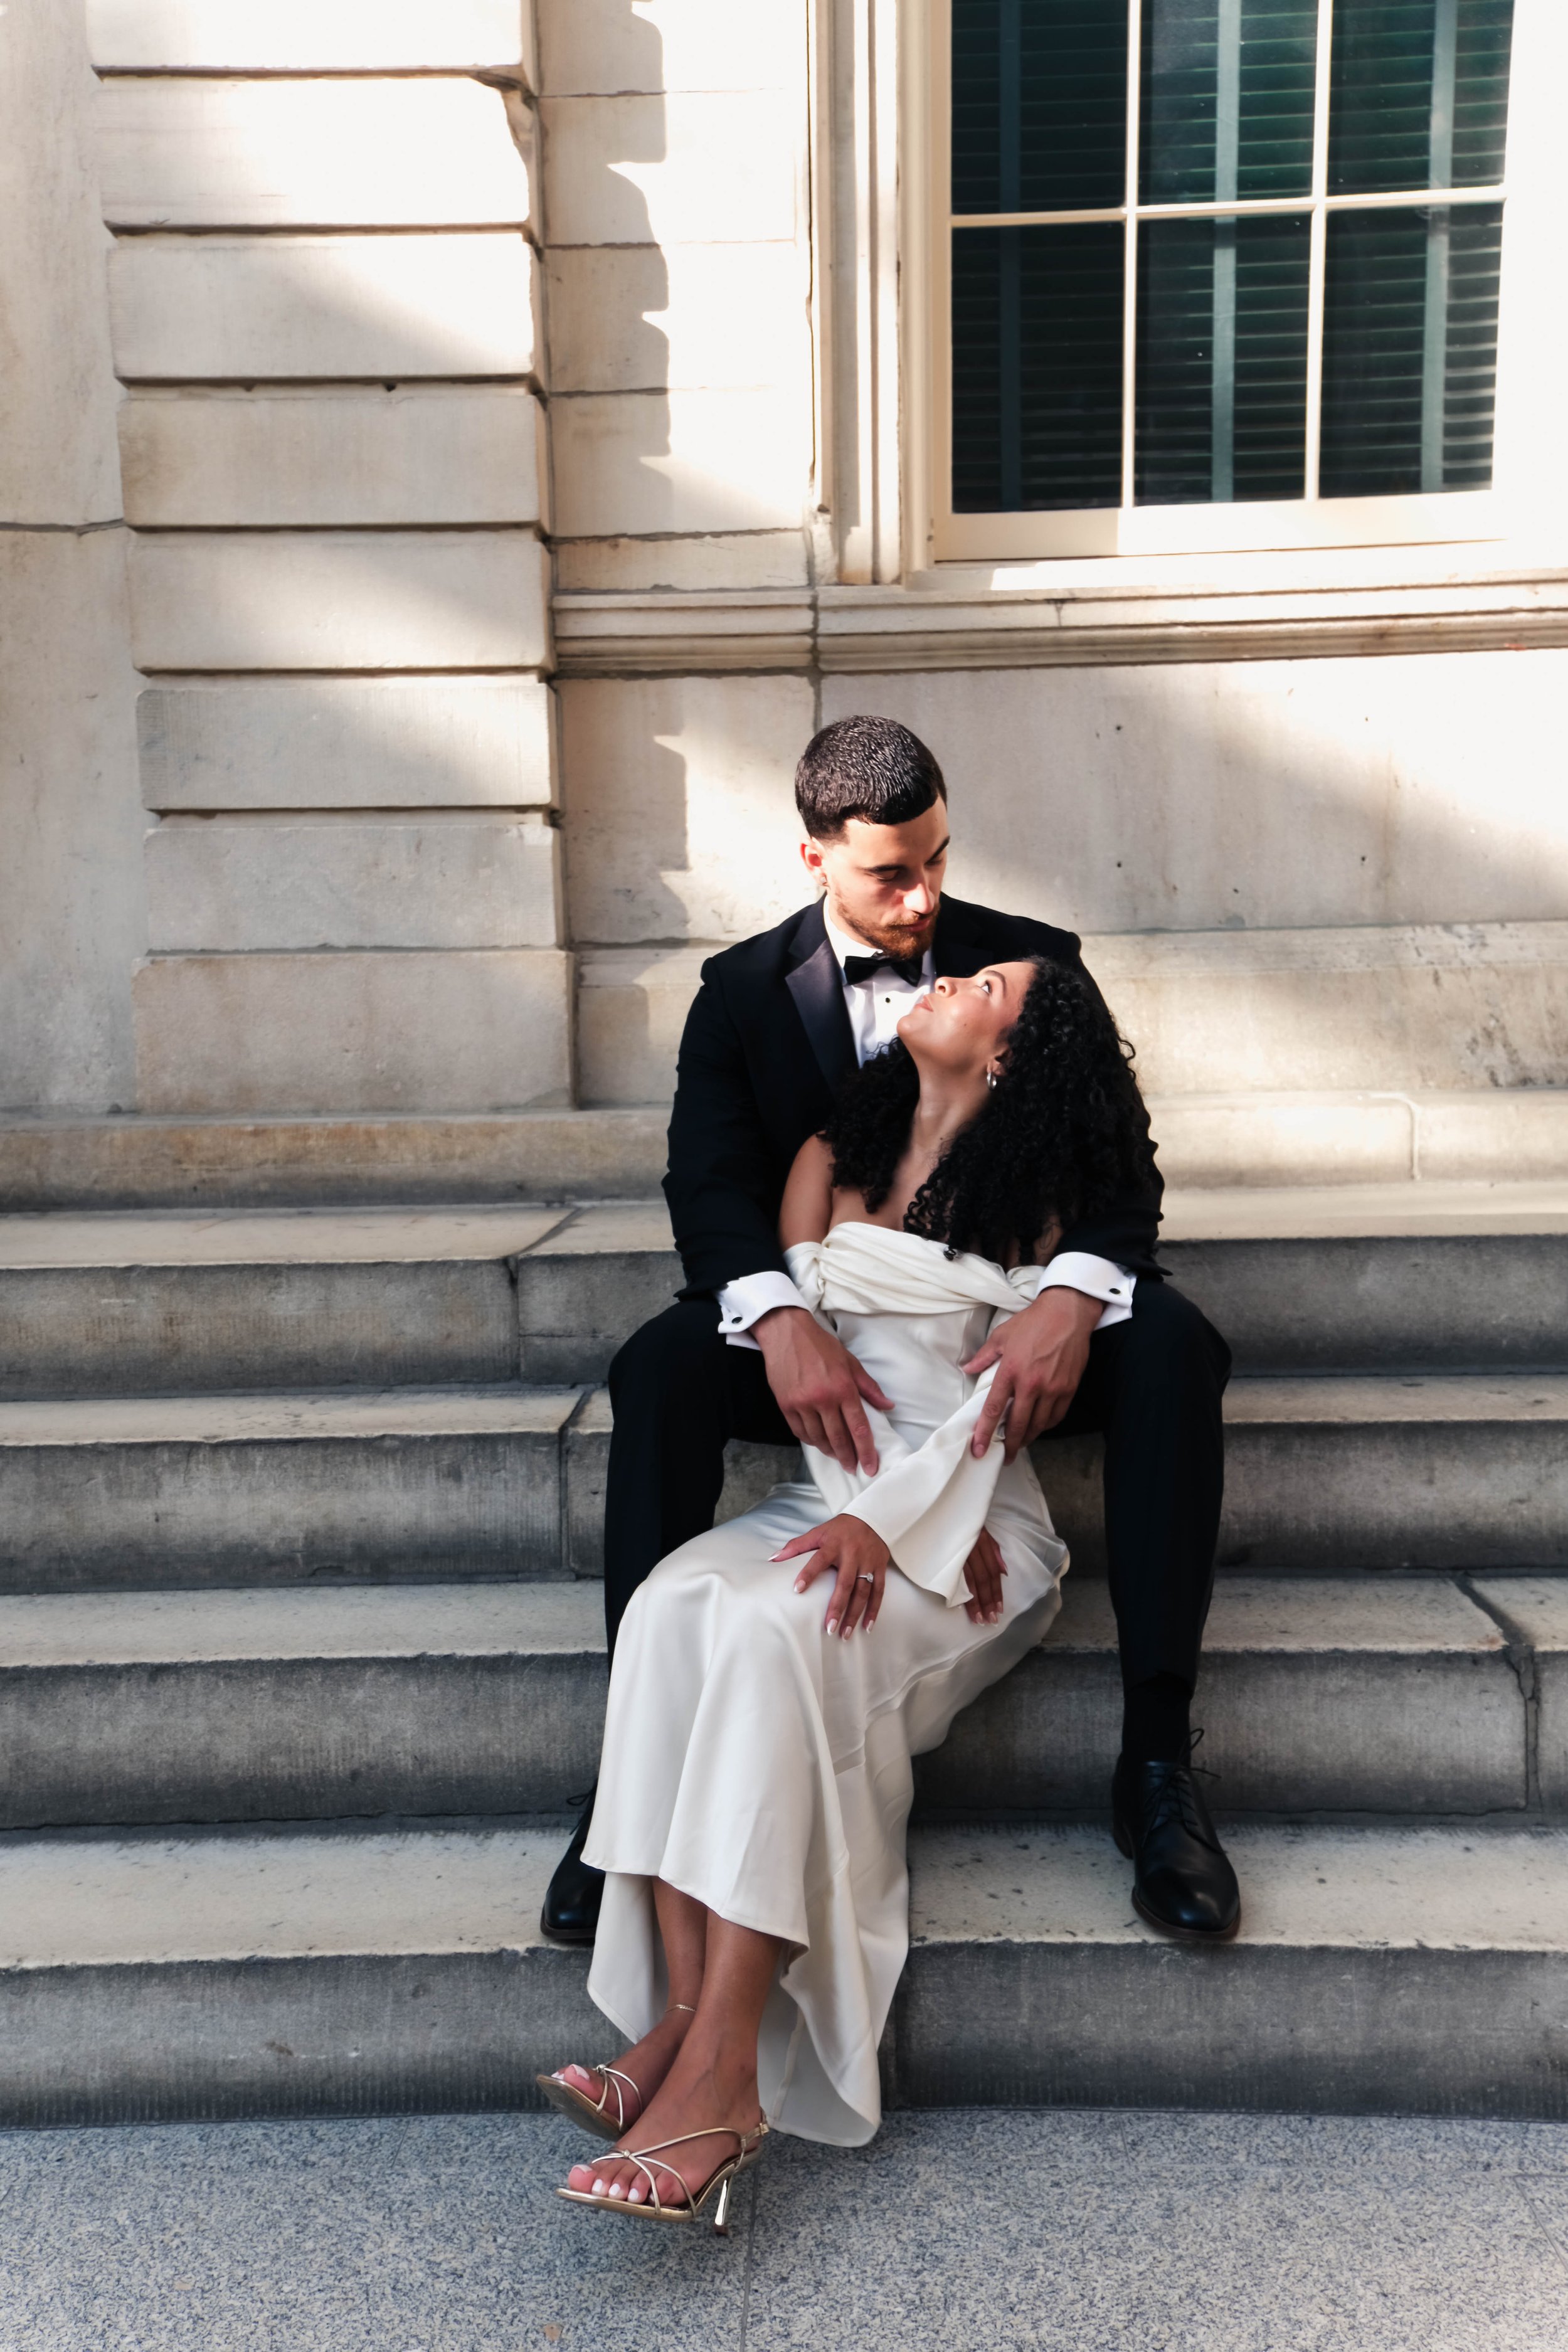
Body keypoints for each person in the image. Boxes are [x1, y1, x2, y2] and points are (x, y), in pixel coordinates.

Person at [540, 945, 1227, 2223]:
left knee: (769, 1636)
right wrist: (860, 1515)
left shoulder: (1036, 1196)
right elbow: (816, 1379)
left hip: (972, 1530)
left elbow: (991, 1407)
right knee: (682, 1603)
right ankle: (680, 2029)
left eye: (984, 992)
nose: (951, 981)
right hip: (842, 1492)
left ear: (1010, 1054)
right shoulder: (828, 1162)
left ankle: (720, 2080)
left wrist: (913, 1523)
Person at [542, 714, 1236, 1959]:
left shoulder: (1028, 968)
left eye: (937, 860)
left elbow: (1123, 1180)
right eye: (887, 874)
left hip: (1002, 1323)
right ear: (814, 861)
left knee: (1175, 1344)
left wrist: (1068, 1306)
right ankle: (624, 1788)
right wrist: (786, 1318)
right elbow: (707, 1186)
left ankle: (1155, 1763)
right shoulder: (740, 995)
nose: (921, 899)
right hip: (829, 1316)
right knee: (658, 1367)